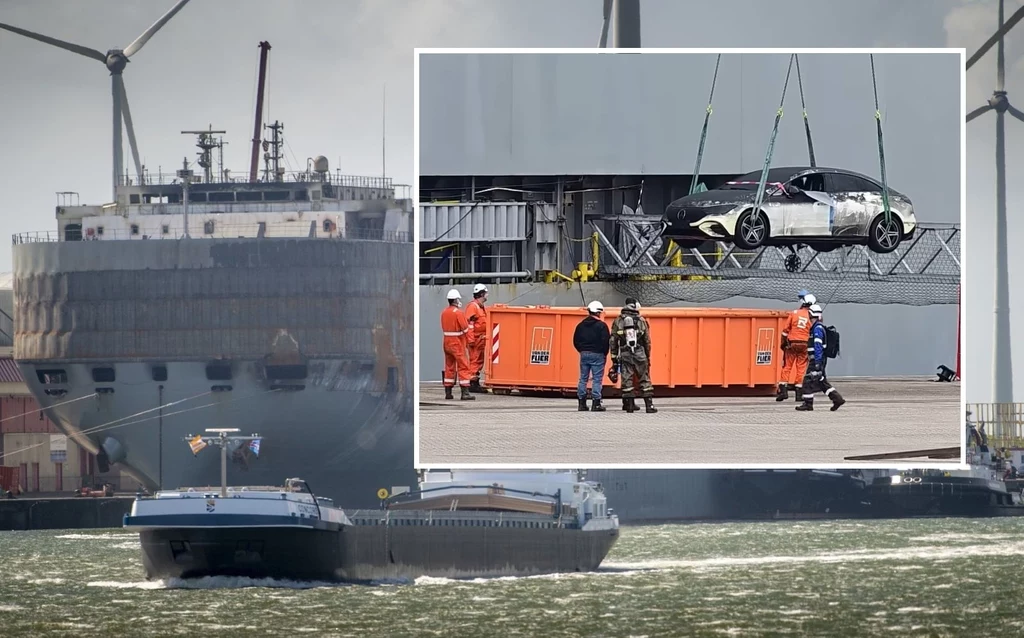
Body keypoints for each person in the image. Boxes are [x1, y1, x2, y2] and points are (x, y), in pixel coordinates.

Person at [609, 298, 657, 414]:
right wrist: (647, 355)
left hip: (625, 352)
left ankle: (629, 406)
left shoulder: (618, 320)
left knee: (627, 379)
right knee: (644, 378)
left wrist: (614, 358)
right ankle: (649, 406)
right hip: (640, 352)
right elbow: (647, 340)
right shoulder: (641, 320)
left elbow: (613, 341)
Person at [796, 303, 845, 411]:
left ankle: (808, 404)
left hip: (817, 359)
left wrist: (817, 362)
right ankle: (837, 399)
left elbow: (818, 346)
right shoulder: (817, 328)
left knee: (808, 380)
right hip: (818, 359)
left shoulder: (817, 329)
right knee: (821, 381)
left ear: (811, 316)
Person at [777, 291, 816, 402]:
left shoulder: (794, 313)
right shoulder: (812, 316)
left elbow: (785, 331)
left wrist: (783, 344)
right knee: (801, 367)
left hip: (792, 343)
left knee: (787, 366)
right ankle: (799, 393)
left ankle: (783, 391)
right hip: (804, 344)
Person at [573, 300, 611, 412]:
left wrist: (582, 350)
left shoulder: (580, 325)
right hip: (598, 354)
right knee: (597, 379)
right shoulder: (602, 326)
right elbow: (606, 342)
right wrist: (604, 353)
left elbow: (575, 341)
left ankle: (581, 403)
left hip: (584, 354)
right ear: (598, 313)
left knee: (583, 378)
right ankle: (596, 403)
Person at [440, 288, 475, 401]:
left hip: (446, 342)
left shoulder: (444, 312)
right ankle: (465, 393)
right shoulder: (459, 313)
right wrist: (470, 340)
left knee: (449, 366)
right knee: (463, 365)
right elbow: (465, 329)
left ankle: (448, 392)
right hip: (457, 343)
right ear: (455, 300)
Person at [464, 283, 489, 392]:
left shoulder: (480, 307)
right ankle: (472, 383)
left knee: (478, 360)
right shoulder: (473, 307)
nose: (487, 295)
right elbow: (469, 325)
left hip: (480, 339)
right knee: (475, 360)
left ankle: (474, 381)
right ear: (482, 294)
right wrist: (470, 340)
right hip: (475, 339)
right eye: (486, 293)